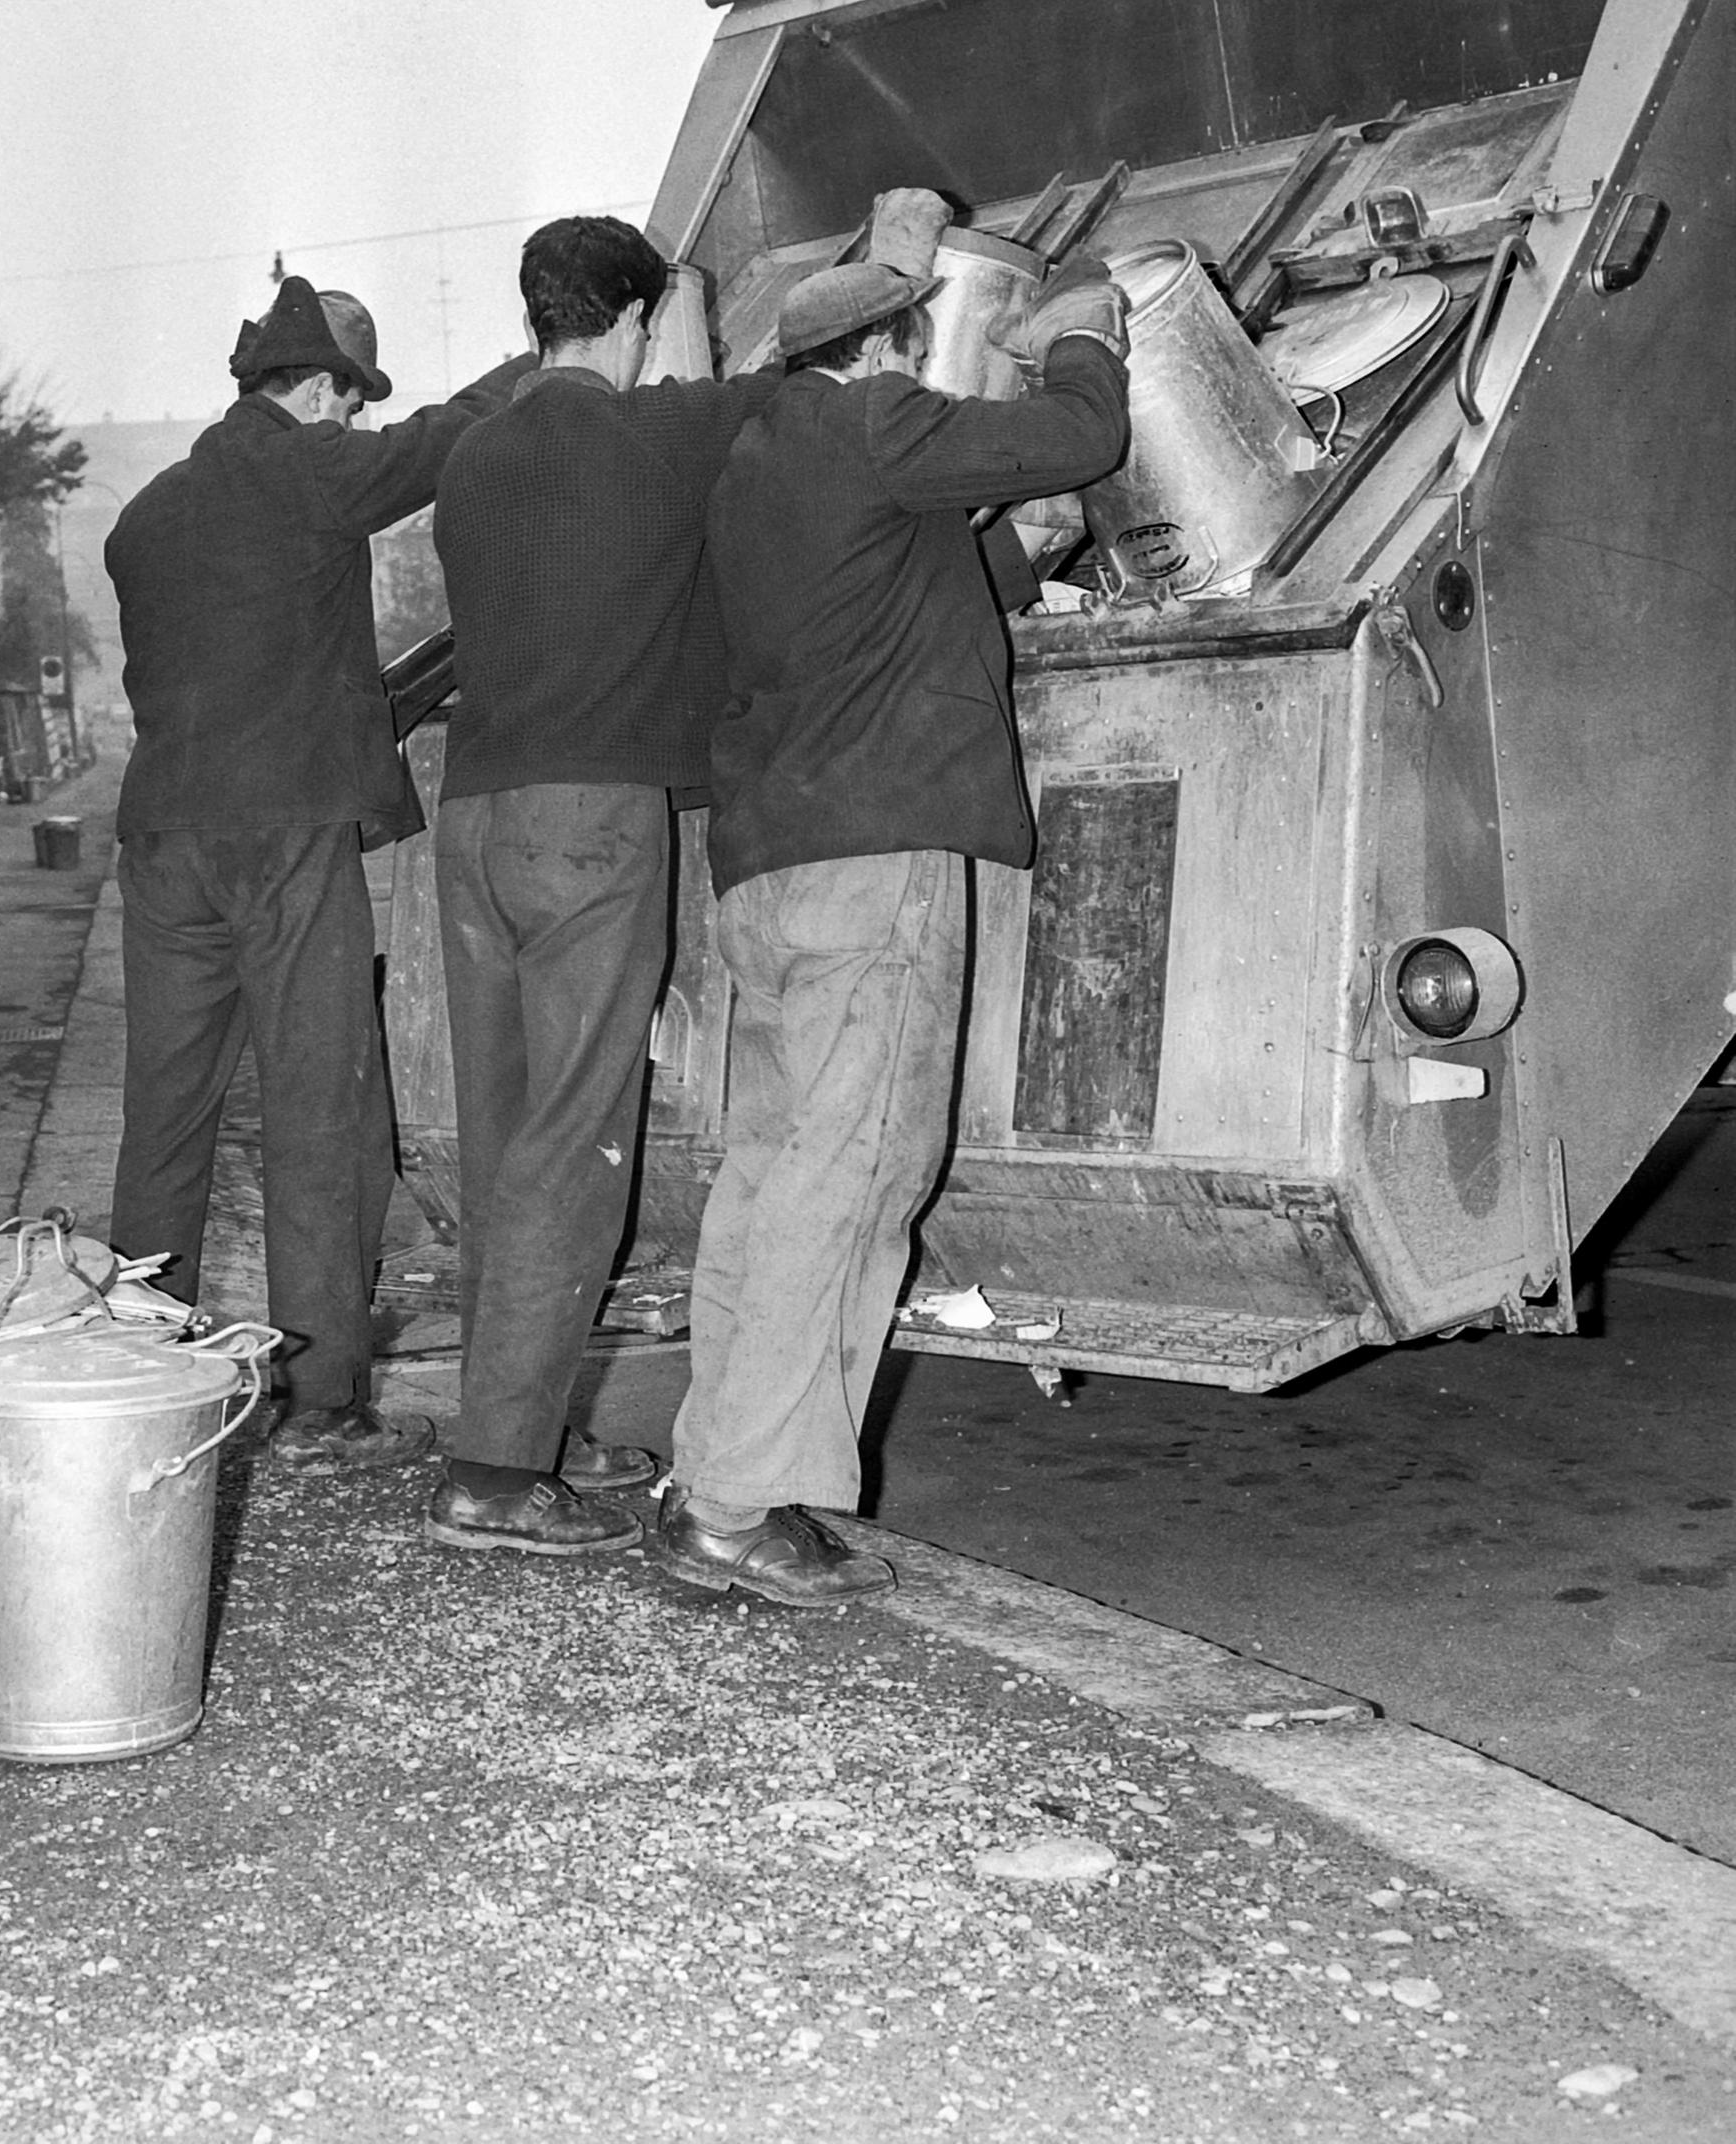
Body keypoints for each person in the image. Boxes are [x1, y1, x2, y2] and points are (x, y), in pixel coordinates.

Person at [650, 206, 1131, 1607]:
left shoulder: (752, 472)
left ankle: (712, 1468)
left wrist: (1021, 555)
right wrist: (1082, 341)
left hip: (769, 868)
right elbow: (1078, 441)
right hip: (874, 866)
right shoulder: (869, 424)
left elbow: (892, 592)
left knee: (770, 1175)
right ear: (885, 354)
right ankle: (734, 1511)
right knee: (853, 1177)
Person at [105, 278, 529, 1471]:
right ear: (322, 390)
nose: (354, 422)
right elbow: (441, 441)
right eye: (350, 402)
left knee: (167, 1121)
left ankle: (145, 1385)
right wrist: (535, 364)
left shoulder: (144, 516)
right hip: (281, 841)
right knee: (319, 1111)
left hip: (164, 844)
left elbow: (241, 671)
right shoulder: (307, 469)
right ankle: (322, 1400)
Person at [423, 216, 782, 1558]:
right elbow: (787, 380)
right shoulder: (654, 433)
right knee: (574, 1146)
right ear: (628, 321)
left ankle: (509, 1428)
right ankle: (495, 1480)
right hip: (588, 822)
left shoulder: (472, 455)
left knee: (505, 1132)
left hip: (471, 819)